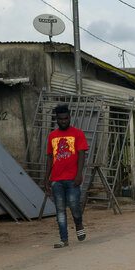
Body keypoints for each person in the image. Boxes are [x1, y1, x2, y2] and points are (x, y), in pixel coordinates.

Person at [44, 103, 88, 248]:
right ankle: (64, 239)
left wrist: (79, 174)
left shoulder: (78, 133)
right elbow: (50, 158)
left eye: (66, 118)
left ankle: (79, 223)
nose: (63, 121)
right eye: (60, 119)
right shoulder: (52, 136)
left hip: (72, 178)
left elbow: (82, 154)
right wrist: (46, 179)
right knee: (60, 210)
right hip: (56, 179)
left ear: (69, 118)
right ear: (56, 119)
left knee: (74, 205)